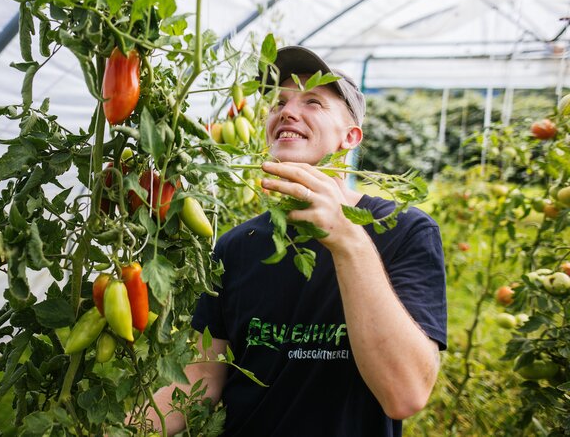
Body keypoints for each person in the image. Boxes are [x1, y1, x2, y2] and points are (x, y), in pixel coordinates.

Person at [144, 46, 447, 436]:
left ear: (350, 136)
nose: (287, 111)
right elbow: (203, 375)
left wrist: (346, 240)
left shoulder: (403, 230)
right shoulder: (237, 246)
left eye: (314, 102)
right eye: (279, 102)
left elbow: (404, 395)